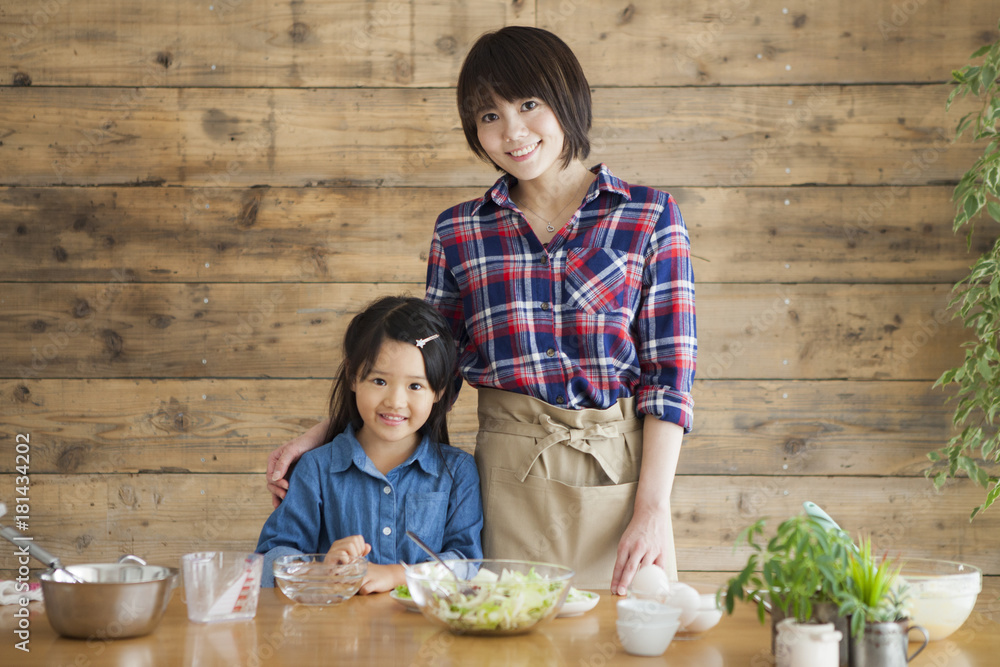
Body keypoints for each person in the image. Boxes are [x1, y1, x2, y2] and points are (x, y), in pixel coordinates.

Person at [267, 27, 695, 594]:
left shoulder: (648, 216)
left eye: (528, 104)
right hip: (502, 484)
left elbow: (670, 379)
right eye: (488, 115)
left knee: (616, 638)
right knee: (502, 635)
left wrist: (653, 509)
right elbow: (427, 366)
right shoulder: (460, 230)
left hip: (620, 479)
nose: (512, 132)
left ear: (567, 98)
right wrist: (327, 430)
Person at [256, 296, 483, 591]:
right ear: (352, 376)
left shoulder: (458, 472)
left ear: (439, 390)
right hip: (336, 633)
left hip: (424, 633)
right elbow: (271, 557)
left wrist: (397, 576)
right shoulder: (316, 467)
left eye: (415, 386)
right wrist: (319, 568)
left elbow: (465, 563)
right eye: (379, 381)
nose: (395, 401)